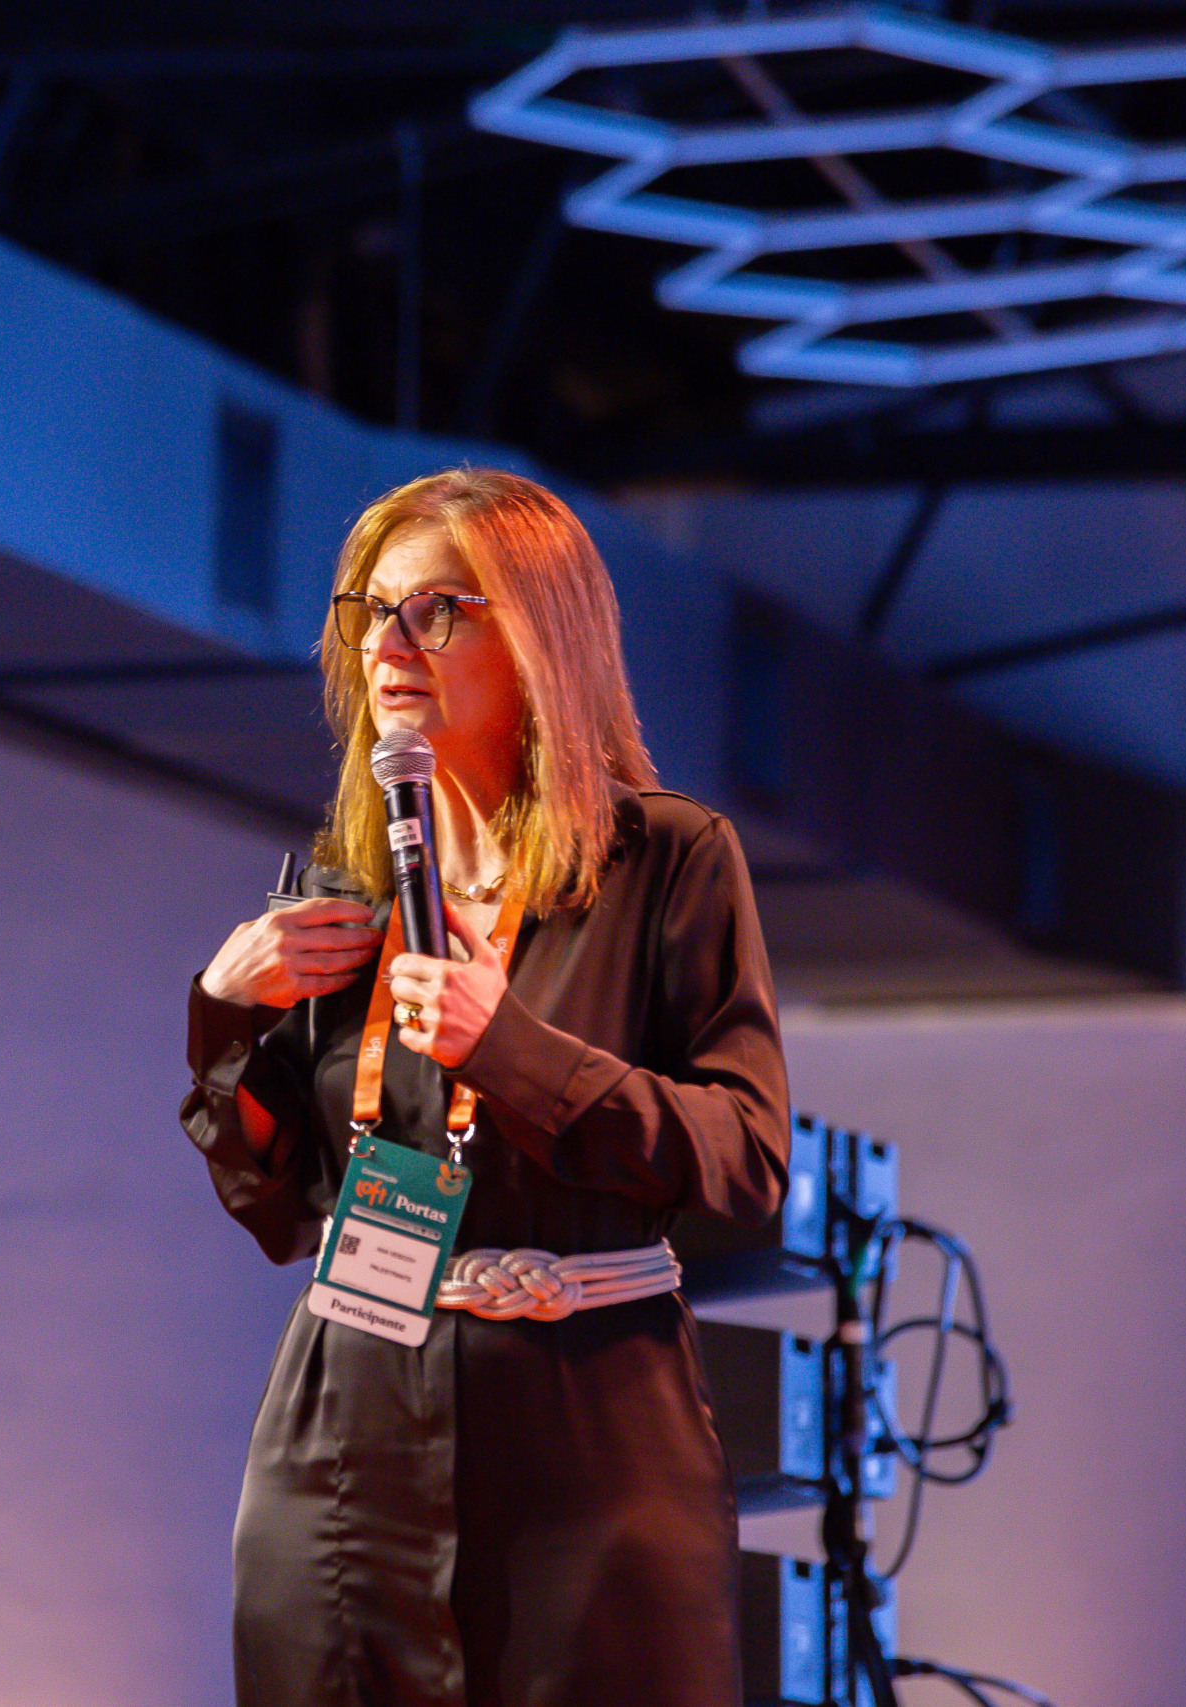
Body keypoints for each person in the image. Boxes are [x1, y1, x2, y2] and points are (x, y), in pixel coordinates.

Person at [181, 468, 791, 1707]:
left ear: (540, 640)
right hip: (344, 1426)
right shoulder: (339, 890)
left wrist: (509, 1049)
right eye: (371, 611)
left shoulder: (667, 859)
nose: (389, 645)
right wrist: (220, 1013)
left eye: (436, 612)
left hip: (587, 1426)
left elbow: (745, 1158)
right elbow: (279, 1209)